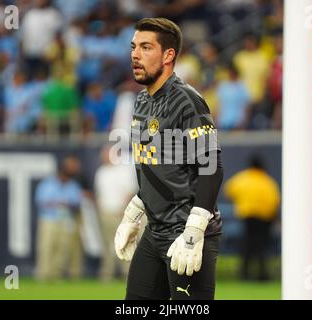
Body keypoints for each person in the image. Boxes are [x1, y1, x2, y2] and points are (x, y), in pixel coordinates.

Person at [114, 18, 223, 300]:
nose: (135, 54)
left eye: (146, 47)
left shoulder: (187, 100)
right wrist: (134, 212)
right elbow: (159, 167)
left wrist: (195, 230)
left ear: (168, 55)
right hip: (155, 230)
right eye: (134, 46)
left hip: (186, 231)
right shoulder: (141, 101)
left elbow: (211, 167)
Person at [224, 155, 280, 281]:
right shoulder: (267, 181)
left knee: (247, 246)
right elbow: (275, 201)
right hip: (265, 219)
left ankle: (244, 274)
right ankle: (263, 275)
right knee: (262, 247)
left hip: (248, 217)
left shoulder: (243, 178)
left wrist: (240, 200)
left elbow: (228, 190)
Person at [34, 156, 83, 281]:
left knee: (62, 249)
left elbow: (77, 204)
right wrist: (60, 204)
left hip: (66, 220)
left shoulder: (73, 185)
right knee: (47, 247)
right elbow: (41, 202)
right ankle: (43, 274)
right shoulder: (47, 184)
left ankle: (56, 275)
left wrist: (62, 204)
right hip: (49, 219)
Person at [94, 145, 139, 281]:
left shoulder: (124, 170)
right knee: (107, 244)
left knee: (126, 242)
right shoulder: (101, 171)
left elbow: (130, 191)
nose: (104, 157)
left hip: (122, 213)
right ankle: (107, 273)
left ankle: (128, 273)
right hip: (106, 213)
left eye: (106, 154)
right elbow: (98, 194)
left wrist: (125, 210)